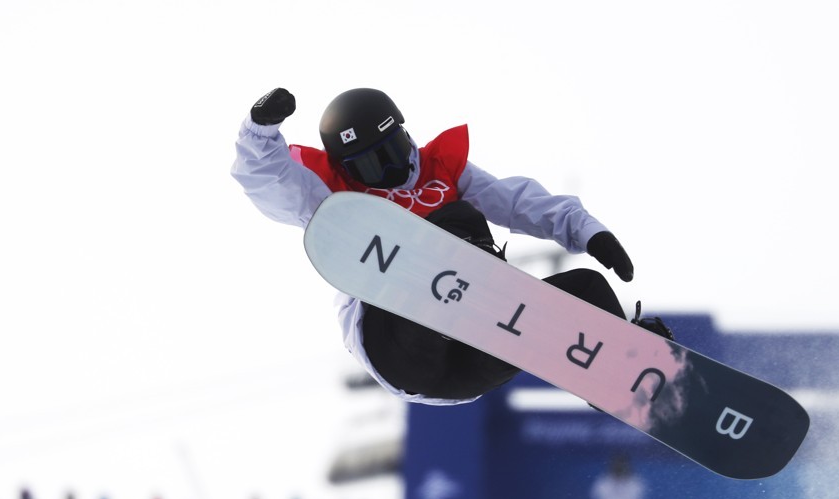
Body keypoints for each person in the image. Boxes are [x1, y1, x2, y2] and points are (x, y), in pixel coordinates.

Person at [232, 87, 672, 404]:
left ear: (406, 136)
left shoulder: (439, 169)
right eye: (370, 164)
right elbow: (272, 184)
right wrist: (260, 131)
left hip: (477, 354)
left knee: (586, 288)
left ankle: (620, 369)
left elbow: (516, 200)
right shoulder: (333, 199)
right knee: (449, 223)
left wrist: (587, 231)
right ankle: (451, 308)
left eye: (393, 151)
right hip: (399, 345)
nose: (390, 169)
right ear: (347, 168)